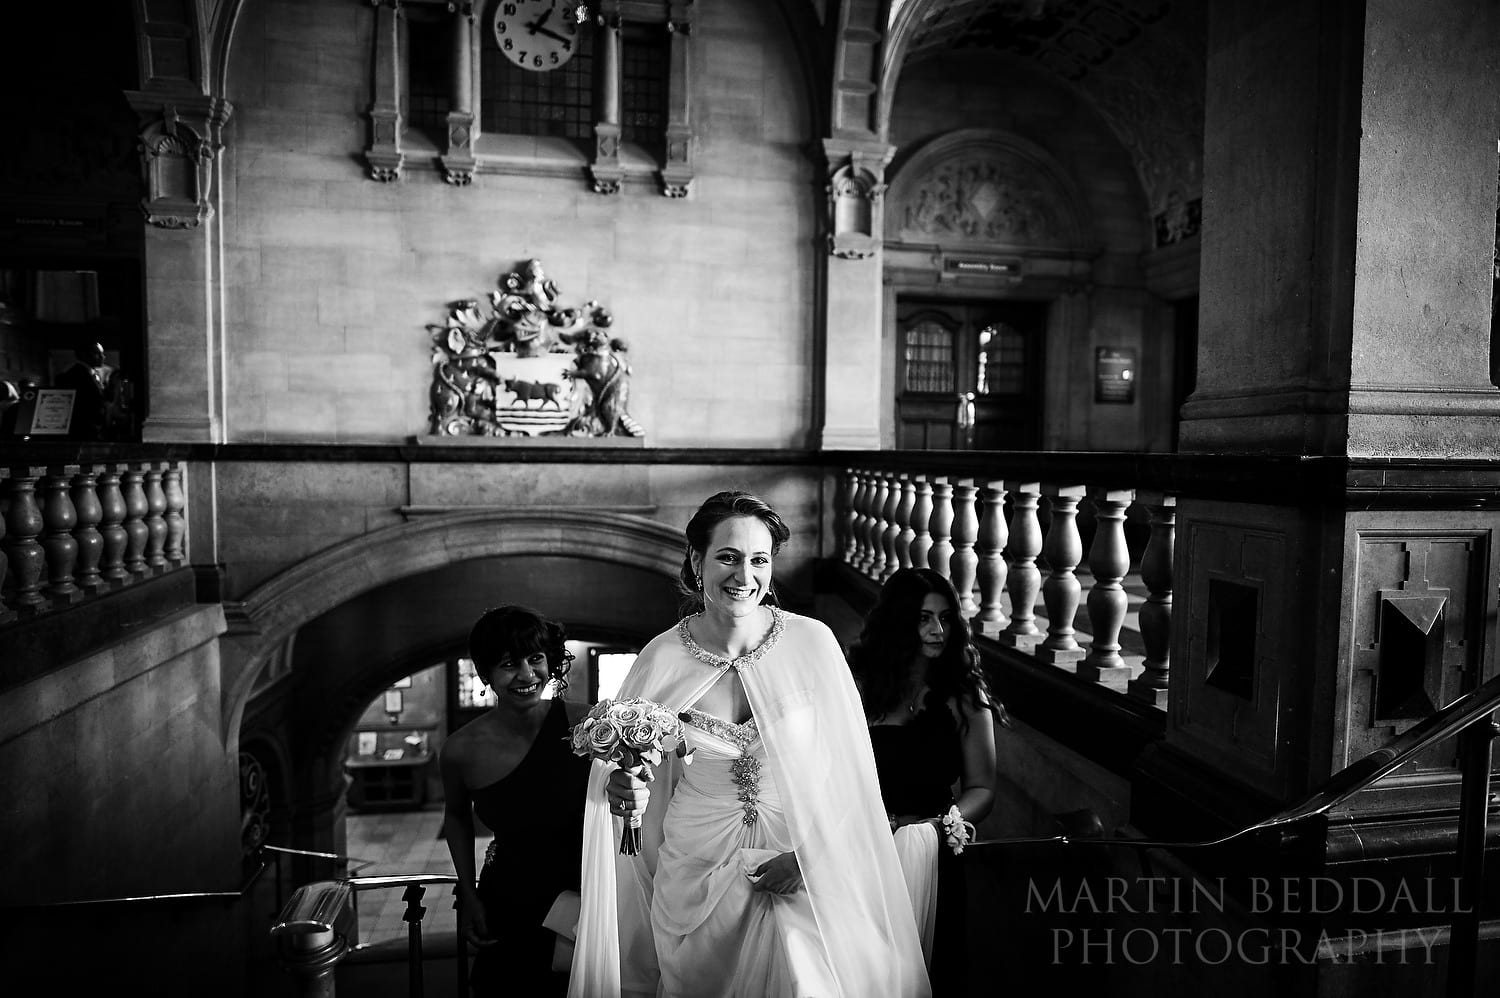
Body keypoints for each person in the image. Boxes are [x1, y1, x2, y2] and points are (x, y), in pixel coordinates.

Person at [571, 491, 930, 998]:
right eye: (728, 557)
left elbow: (851, 774)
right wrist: (625, 791)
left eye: (759, 560)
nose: (744, 576)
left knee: (809, 978)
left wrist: (806, 857)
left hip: (801, 848)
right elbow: (635, 774)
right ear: (697, 560)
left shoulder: (814, 644)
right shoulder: (663, 657)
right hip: (697, 858)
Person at [848, 567, 1004, 996]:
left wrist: (944, 825)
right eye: (923, 618)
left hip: (934, 847)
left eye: (945, 617)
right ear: (899, 622)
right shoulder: (861, 688)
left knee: (933, 966)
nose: (937, 629)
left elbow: (983, 789)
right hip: (868, 846)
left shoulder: (966, 696)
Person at [440, 605, 593, 997]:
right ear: (485, 673)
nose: (527, 675)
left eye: (536, 658)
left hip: (585, 890)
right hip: (508, 898)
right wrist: (469, 892)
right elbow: (456, 817)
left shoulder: (588, 724)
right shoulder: (460, 750)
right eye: (509, 664)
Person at [53, 341, 117, 440]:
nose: (103, 357)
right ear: (83, 355)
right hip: (83, 433)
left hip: (96, 430)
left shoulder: (95, 374)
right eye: (97, 354)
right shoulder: (72, 376)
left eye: (102, 353)